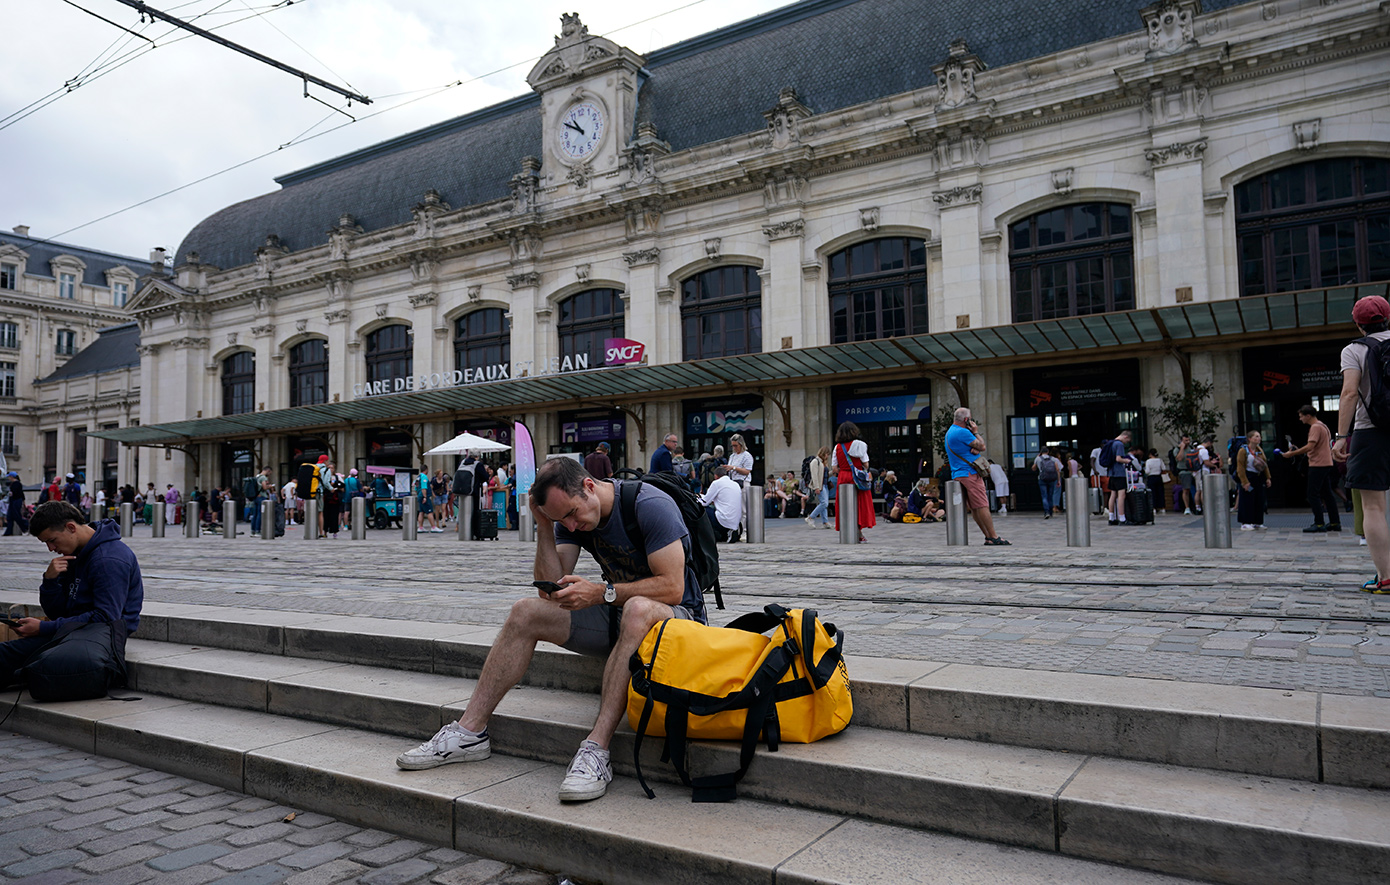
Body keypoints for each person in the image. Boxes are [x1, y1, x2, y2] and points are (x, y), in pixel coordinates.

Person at [394, 457, 708, 802]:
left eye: (572, 514)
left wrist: (602, 592)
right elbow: (550, 590)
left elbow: (673, 587)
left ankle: (596, 751)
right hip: (623, 614)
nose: (571, 526)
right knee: (525, 612)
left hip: (680, 622)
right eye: (563, 520)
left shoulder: (650, 504)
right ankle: (470, 732)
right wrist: (545, 525)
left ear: (589, 486)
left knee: (635, 609)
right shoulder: (566, 518)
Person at [2, 501, 143, 701]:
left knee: (6, 654)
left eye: (52, 540)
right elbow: (57, 612)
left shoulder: (108, 560)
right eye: (46, 543)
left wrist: (43, 629)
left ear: (71, 528)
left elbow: (106, 617)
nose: (51, 549)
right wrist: (50, 581)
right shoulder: (75, 554)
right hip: (75, 628)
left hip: (98, 634)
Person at [1335, 294, 1390, 593]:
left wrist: (1342, 437)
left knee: (1373, 507)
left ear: (1358, 324)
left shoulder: (1353, 350)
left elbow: (1349, 393)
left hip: (1371, 433)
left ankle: (1386, 577)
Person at [944, 408, 1009, 545]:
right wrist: (976, 432)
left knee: (975, 507)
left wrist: (975, 448)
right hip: (970, 473)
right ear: (967, 420)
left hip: (959, 473)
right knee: (982, 505)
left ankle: (988, 537)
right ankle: (993, 536)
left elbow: (975, 448)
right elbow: (982, 446)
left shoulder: (951, 431)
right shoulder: (963, 432)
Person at [1283, 405, 1342, 533]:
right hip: (1326, 463)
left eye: (1301, 416)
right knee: (1327, 494)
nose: (1300, 419)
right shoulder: (1323, 426)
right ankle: (1334, 522)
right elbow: (1316, 446)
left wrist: (1292, 453)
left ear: (1307, 416)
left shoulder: (1315, 427)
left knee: (1312, 494)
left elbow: (1310, 446)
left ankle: (1319, 523)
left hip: (1317, 464)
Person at [831, 421, 876, 542]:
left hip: (843, 477)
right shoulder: (859, 444)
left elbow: (834, 468)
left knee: (845, 505)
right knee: (860, 504)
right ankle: (859, 531)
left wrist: (843, 468)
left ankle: (848, 530)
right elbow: (866, 465)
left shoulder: (837, 447)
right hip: (857, 477)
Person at [1235, 430, 1271, 531]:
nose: (1258, 438)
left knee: (1259, 499)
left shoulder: (1259, 450)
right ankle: (1245, 522)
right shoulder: (1243, 451)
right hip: (1248, 476)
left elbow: (1265, 465)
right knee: (1247, 499)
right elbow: (1240, 467)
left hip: (1258, 476)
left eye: (1259, 436)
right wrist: (1244, 482)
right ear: (1250, 439)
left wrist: (1268, 477)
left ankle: (1258, 522)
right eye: (1255, 436)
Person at [700, 465, 744, 542]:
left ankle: (709, 536)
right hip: (735, 521)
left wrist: (698, 497)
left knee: (703, 510)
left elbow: (705, 502)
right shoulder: (735, 484)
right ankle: (729, 531)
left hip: (723, 520)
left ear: (716, 476)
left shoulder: (716, 483)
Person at [1102, 430, 1135, 526]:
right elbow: (1118, 458)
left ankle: (1111, 517)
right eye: (1127, 441)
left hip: (1111, 472)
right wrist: (1127, 461)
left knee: (1113, 494)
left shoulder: (1110, 443)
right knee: (1121, 495)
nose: (1126, 443)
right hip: (1119, 473)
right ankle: (1122, 517)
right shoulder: (1119, 445)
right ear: (1125, 437)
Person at [804, 446, 832, 529]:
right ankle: (811, 517)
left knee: (823, 503)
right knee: (824, 503)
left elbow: (823, 474)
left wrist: (832, 472)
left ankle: (825, 521)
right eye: (827, 454)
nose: (827, 456)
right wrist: (816, 487)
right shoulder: (815, 462)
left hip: (825, 484)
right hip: (820, 485)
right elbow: (814, 475)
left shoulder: (823, 463)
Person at [1034, 448, 1062, 518]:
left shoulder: (1038, 459)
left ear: (1041, 452)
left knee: (1044, 496)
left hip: (1042, 479)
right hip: (1051, 479)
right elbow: (1058, 469)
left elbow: (1033, 468)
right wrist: (1058, 480)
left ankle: (1046, 512)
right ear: (1048, 452)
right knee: (1050, 495)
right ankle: (1051, 511)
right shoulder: (1053, 459)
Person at [4, 471, 27, 536]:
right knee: (10, 517)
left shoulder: (17, 484)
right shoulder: (13, 484)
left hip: (16, 501)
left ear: (12, 477)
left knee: (17, 516)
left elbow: (19, 494)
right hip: (13, 501)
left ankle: (25, 526)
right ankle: (8, 531)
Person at [1144, 448, 1166, 513]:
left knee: (1152, 493)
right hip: (1158, 477)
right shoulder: (1160, 460)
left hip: (1151, 477)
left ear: (1150, 454)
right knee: (1160, 492)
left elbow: (1147, 471)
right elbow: (1164, 468)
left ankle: (1153, 508)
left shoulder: (1148, 461)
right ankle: (1162, 507)